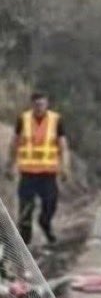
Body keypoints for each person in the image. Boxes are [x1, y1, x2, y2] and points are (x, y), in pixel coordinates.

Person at [5, 91, 68, 246]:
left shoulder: (56, 120)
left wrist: (65, 167)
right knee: (26, 208)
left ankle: (44, 223)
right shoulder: (23, 119)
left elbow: (63, 146)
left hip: (48, 173)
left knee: (50, 204)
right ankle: (25, 242)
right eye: (36, 104)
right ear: (32, 104)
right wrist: (9, 164)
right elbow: (15, 143)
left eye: (42, 104)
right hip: (28, 173)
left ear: (47, 104)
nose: (39, 107)